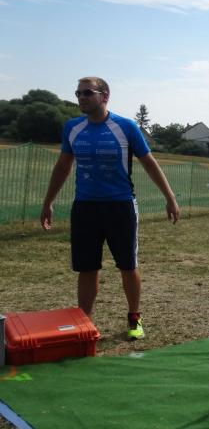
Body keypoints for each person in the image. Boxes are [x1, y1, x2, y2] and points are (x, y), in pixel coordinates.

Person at [40, 77, 179, 340]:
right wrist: (48, 202)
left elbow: (149, 162)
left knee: (128, 266)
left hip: (120, 206)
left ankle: (134, 318)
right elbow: (63, 166)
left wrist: (169, 197)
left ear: (104, 96)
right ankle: (84, 323)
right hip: (85, 208)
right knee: (87, 268)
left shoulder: (125, 127)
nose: (81, 97)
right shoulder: (72, 128)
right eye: (78, 93)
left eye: (87, 93)